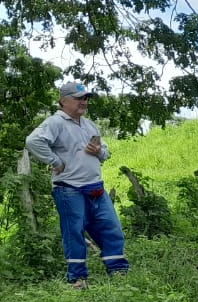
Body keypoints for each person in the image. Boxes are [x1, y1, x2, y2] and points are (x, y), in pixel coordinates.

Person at [25, 81, 130, 288]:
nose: (84, 102)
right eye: (79, 98)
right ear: (63, 101)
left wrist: (98, 151)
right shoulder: (55, 122)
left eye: (86, 98)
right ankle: (78, 278)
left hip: (95, 186)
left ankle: (118, 271)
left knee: (111, 227)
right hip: (68, 188)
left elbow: (105, 153)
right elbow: (33, 141)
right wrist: (55, 161)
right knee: (74, 232)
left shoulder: (89, 125)